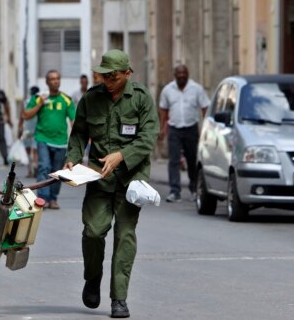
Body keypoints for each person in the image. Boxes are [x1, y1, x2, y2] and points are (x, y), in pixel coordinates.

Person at [65, 49, 158, 318]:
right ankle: (92, 278)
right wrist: (72, 158)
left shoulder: (140, 98)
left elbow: (149, 136)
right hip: (98, 177)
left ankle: (119, 298)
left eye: (113, 77)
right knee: (93, 232)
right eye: (104, 76)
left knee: (124, 236)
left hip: (131, 180)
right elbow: (79, 133)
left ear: (127, 74)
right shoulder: (91, 99)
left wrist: (122, 156)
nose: (107, 81)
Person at [23, 70, 76, 209]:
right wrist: (40, 103)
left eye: (58, 78)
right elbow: (26, 115)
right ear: (47, 82)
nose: (55, 81)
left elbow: (73, 121)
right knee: (44, 167)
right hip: (43, 139)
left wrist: (78, 139)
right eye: (52, 79)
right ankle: (42, 199)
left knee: (57, 172)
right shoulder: (39, 97)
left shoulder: (66, 99)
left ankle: (53, 198)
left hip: (61, 142)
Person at [158, 65, 210, 203]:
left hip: (191, 128)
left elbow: (205, 107)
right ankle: (174, 191)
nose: (181, 75)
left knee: (192, 160)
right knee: (174, 160)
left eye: (184, 73)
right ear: (175, 75)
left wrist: (206, 127)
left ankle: (194, 189)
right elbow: (163, 109)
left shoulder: (197, 89)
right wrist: (162, 128)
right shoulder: (168, 90)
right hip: (174, 128)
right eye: (179, 73)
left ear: (188, 74)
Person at [18, 85, 40, 178]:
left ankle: (29, 171)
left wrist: (19, 129)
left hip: (27, 129)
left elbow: (21, 116)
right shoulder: (40, 102)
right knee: (35, 151)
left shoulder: (26, 102)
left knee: (27, 151)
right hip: (37, 129)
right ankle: (35, 166)